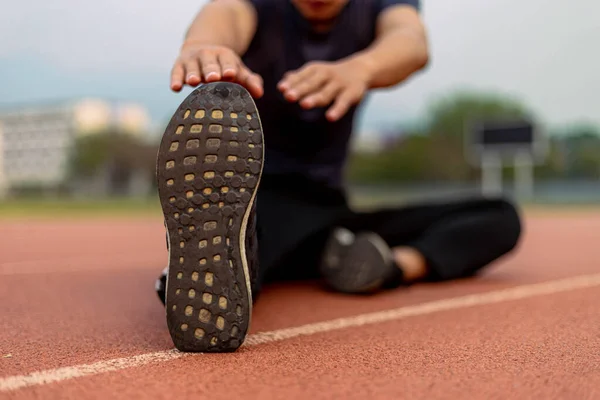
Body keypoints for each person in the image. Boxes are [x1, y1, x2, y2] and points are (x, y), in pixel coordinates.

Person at [155, 0, 522, 353]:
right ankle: (220, 263)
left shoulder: (379, 7)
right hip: (258, 198)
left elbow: (410, 42)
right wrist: (204, 45)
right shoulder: (261, 7)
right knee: (254, 237)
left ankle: (388, 265)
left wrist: (361, 68)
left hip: (331, 218)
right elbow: (227, 12)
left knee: (500, 215)